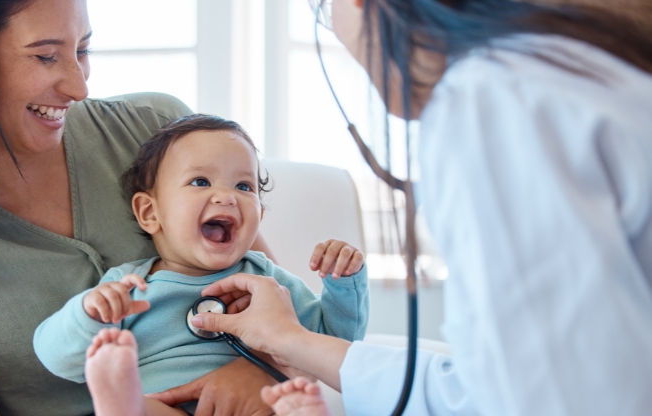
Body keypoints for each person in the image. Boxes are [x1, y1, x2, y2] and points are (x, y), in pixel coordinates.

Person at [183, 0, 652, 415]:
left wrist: (306, 327)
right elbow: (489, 389)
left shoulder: (493, 101)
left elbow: (552, 400)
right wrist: (290, 341)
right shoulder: (572, 71)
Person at [0, 1, 283, 415]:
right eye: (46, 56)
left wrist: (258, 372)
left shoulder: (159, 132)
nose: (79, 86)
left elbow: (277, 306)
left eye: (83, 50)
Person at [32, 114, 370, 416]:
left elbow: (328, 343)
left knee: (286, 400)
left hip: (257, 406)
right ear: (151, 213)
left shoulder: (266, 280)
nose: (227, 196)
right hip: (164, 404)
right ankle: (122, 403)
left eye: (244, 186)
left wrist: (343, 283)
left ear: (259, 217)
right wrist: (88, 314)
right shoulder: (129, 286)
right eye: (200, 182)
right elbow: (57, 359)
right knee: (147, 408)